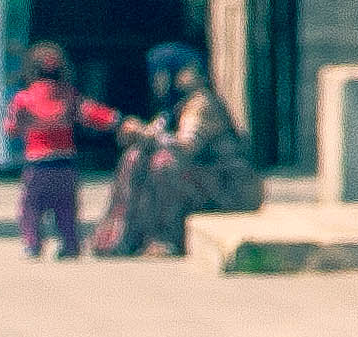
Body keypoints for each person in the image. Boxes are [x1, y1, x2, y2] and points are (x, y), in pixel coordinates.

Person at [98, 46, 263, 255]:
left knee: (163, 164)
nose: (156, 81)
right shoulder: (173, 108)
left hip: (232, 188)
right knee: (135, 156)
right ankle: (123, 233)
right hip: (207, 181)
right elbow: (154, 136)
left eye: (161, 73)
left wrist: (145, 134)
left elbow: (186, 146)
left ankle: (168, 237)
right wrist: (135, 134)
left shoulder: (202, 103)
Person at [0, 42, 119, 257]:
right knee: (66, 208)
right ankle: (70, 245)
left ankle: (33, 244)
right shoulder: (69, 96)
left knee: (31, 207)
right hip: (65, 164)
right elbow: (91, 113)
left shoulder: (23, 99)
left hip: (37, 165)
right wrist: (115, 120)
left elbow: (11, 128)